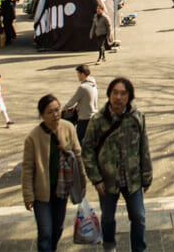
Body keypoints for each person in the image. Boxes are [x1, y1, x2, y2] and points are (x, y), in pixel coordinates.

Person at [82, 78, 152, 252]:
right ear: (109, 95)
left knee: (138, 216)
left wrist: (147, 175)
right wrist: (96, 179)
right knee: (107, 218)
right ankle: (109, 247)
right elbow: (87, 151)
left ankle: (139, 249)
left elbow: (144, 148)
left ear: (129, 97)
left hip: (132, 178)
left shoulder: (137, 117)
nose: (118, 97)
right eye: (115, 93)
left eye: (123, 93)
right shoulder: (98, 120)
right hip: (107, 180)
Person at [22, 94, 84, 252]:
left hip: (61, 189)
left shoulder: (68, 127)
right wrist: (28, 195)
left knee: (58, 228)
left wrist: (82, 183)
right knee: (45, 232)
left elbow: (78, 155)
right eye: (50, 112)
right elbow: (28, 168)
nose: (55, 114)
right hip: (41, 192)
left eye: (57, 110)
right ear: (42, 115)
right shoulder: (33, 137)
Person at [63, 64, 98, 143]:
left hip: (84, 118)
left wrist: (64, 108)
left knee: (79, 141)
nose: (77, 76)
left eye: (78, 73)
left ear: (82, 74)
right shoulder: (93, 84)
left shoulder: (83, 88)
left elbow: (72, 101)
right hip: (93, 116)